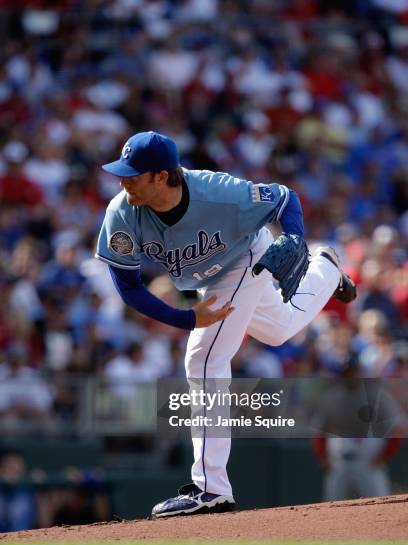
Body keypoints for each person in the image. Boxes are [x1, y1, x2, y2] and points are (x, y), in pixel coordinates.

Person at [96, 131, 356, 518]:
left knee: (203, 360)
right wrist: (186, 317)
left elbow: (284, 198)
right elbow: (129, 287)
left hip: (245, 257)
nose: (122, 180)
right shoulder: (122, 211)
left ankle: (210, 488)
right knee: (279, 329)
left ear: (162, 177)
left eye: (133, 174)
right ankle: (327, 269)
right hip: (207, 279)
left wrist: (296, 237)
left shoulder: (218, 192)